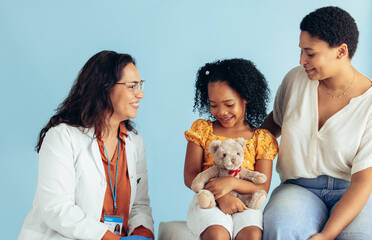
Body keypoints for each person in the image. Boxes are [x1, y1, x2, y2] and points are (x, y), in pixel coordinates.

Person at [18, 51, 154, 240]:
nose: (141, 94)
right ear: (105, 88)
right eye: (132, 86)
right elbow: (56, 208)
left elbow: (139, 204)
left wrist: (143, 233)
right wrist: (111, 238)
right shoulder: (62, 137)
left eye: (140, 85)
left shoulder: (134, 142)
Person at [262, 6, 372, 240]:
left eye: (310, 54)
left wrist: (327, 235)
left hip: (353, 191)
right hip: (299, 187)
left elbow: (364, 181)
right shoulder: (295, 80)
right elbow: (273, 124)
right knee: (280, 225)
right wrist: (239, 147)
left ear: (341, 52)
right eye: (301, 51)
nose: (302, 60)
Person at [184, 59, 279, 240]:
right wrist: (221, 197)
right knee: (217, 234)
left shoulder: (261, 139)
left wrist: (232, 184)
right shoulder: (202, 130)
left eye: (229, 104)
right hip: (208, 200)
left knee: (251, 235)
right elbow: (191, 175)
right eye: (213, 105)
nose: (221, 112)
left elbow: (262, 186)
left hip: (245, 203)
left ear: (246, 98)